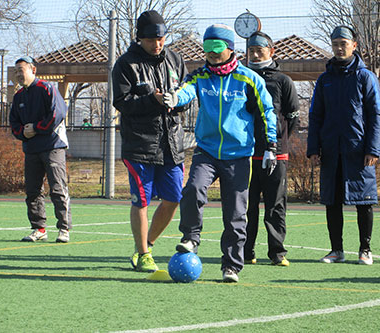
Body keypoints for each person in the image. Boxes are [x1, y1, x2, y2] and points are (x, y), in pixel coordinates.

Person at [161, 24, 277, 282]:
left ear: (230, 48)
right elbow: (185, 91)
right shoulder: (200, 76)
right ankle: (191, 237)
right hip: (207, 151)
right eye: (208, 48)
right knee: (192, 189)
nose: (212, 53)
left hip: (238, 156)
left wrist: (271, 146)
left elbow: (267, 111)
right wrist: (174, 98)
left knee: (235, 213)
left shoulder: (249, 79)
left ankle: (232, 266)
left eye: (217, 48)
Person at [112, 10, 190, 272]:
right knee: (142, 201)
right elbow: (122, 102)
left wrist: (177, 101)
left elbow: (189, 93)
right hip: (140, 146)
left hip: (172, 144)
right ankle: (144, 255)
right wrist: (151, 100)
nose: (157, 44)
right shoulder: (126, 64)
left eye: (161, 38)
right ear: (139, 38)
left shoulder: (176, 60)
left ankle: (147, 244)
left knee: (173, 198)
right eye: (150, 40)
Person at [307, 26, 380, 265]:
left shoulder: (365, 77)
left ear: (354, 45)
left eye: (344, 43)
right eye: (336, 44)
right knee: (332, 200)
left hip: (358, 151)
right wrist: (313, 148)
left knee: (364, 200)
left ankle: (365, 249)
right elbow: (315, 116)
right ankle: (336, 250)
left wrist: (373, 148)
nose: (340, 48)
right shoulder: (324, 79)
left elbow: (376, 115)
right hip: (331, 150)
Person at [244, 31, 300, 267]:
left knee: (275, 204)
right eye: (251, 51)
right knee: (247, 206)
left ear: (271, 51)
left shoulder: (282, 81)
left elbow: (292, 116)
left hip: (275, 153)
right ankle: (246, 252)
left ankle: (277, 253)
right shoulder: (241, 77)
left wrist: (278, 141)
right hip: (245, 153)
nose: (255, 55)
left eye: (260, 50)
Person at [9, 56, 72, 243]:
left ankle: (64, 229)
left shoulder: (47, 88)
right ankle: (39, 228)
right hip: (31, 149)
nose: (19, 74)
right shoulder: (19, 96)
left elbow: (58, 113)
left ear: (33, 70)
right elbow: (14, 123)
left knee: (58, 188)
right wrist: (23, 132)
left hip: (53, 146)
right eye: (16, 71)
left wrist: (36, 128)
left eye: (22, 69)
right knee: (33, 191)